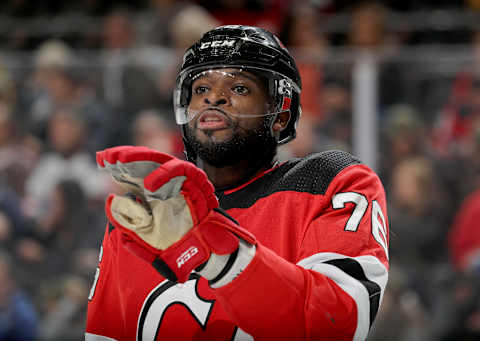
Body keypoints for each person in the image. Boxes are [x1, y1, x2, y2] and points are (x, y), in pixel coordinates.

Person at [86, 25, 389, 341]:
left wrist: (215, 252)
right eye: (201, 89)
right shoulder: (146, 212)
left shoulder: (330, 181)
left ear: (280, 114)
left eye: (240, 88)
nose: (214, 97)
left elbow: (336, 326)